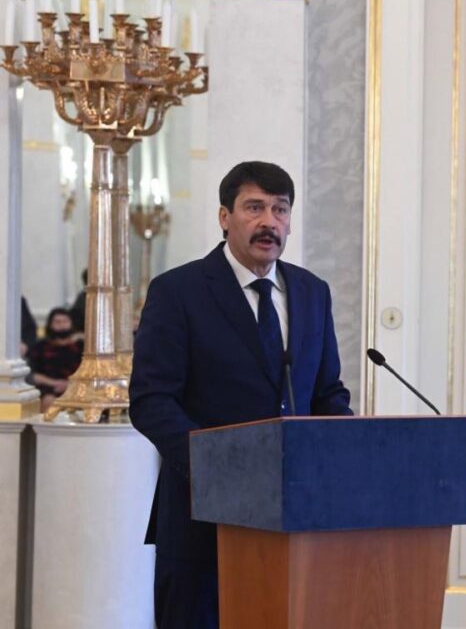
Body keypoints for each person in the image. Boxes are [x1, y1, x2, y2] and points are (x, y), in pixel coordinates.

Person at [130, 161, 353, 629]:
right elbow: (152, 400)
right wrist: (214, 466)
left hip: (296, 518)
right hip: (202, 519)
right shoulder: (179, 291)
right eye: (254, 207)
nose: (269, 221)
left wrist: (342, 453)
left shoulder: (312, 292)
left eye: (280, 209)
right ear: (224, 216)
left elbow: (327, 392)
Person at [27, 307, 83, 410]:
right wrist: (55, 383)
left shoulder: (80, 347)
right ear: (50, 325)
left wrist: (69, 385)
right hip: (49, 387)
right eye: (57, 322)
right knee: (49, 401)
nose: (62, 325)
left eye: (65, 321)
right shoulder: (40, 347)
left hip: (78, 387)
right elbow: (32, 375)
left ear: (71, 323)